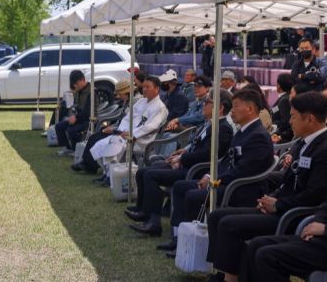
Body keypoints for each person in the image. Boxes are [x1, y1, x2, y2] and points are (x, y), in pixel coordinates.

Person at [206, 91, 327, 282]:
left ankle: (229, 278)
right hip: (283, 207)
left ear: (310, 119)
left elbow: (314, 195)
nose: (289, 121)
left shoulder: (323, 149)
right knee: (218, 217)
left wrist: (278, 204)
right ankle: (224, 274)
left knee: (231, 226)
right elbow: (287, 181)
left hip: (295, 215)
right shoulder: (302, 143)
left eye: (293, 117)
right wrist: (271, 198)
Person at [167, 88, 274, 255]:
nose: (232, 110)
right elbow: (225, 161)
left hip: (241, 189)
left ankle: (196, 248)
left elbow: (242, 171)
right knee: (182, 187)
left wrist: (215, 181)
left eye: (236, 106)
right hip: (227, 182)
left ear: (250, 109)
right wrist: (210, 176)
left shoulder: (257, 136)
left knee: (193, 195)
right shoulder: (243, 131)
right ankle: (180, 238)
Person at [127, 89, 234, 240]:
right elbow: (198, 146)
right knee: (143, 171)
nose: (203, 105)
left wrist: (182, 159)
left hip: (195, 170)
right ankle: (145, 212)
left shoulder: (222, 129)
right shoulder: (210, 124)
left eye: (207, 102)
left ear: (220, 107)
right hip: (188, 164)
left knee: (151, 175)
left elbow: (207, 155)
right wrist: (183, 152)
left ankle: (154, 222)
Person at [89, 76, 168, 181]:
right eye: (143, 87)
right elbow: (127, 118)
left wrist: (132, 134)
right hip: (126, 134)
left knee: (115, 147)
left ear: (157, 89)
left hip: (142, 140)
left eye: (147, 87)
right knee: (100, 145)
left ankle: (111, 177)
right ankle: (107, 173)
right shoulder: (141, 102)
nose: (144, 89)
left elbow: (151, 126)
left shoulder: (161, 107)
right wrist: (121, 131)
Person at [246, 197, 327, 281]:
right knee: (257, 244)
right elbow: (324, 208)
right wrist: (316, 224)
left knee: (267, 256)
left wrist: (324, 229)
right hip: (318, 240)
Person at [71, 79, 134, 173]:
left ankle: (90, 165)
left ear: (127, 93)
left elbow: (128, 124)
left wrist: (114, 129)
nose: (119, 96)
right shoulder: (126, 102)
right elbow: (121, 121)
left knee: (98, 138)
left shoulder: (134, 104)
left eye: (120, 94)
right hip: (118, 129)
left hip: (123, 133)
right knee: (94, 136)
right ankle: (86, 162)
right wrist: (112, 127)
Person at [55, 70, 91, 154]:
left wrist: (76, 117)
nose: (75, 86)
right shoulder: (78, 91)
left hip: (88, 120)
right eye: (74, 85)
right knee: (59, 126)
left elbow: (88, 111)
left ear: (82, 80)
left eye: (76, 84)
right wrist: (72, 114)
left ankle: (77, 150)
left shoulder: (92, 91)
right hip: (78, 117)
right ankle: (68, 148)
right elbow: (76, 105)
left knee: (71, 130)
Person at [270, 73, 294, 143]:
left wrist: (272, 125)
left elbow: (285, 121)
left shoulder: (284, 100)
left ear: (279, 86)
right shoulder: (283, 98)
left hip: (279, 135)